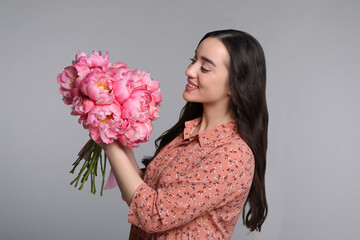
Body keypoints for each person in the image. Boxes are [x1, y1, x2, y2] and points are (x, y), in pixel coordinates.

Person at [99, 29, 268, 239]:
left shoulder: (233, 155)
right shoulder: (189, 131)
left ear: (234, 85)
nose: (190, 70)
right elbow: (142, 193)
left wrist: (106, 138)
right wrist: (116, 130)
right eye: (193, 60)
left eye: (205, 68)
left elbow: (152, 214)